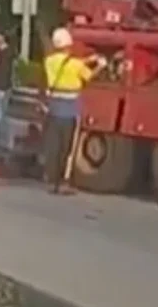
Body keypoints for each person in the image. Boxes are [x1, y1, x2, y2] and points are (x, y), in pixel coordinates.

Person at [42, 27, 106, 194]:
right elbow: (88, 76)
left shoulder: (49, 61)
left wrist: (88, 59)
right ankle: (64, 183)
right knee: (68, 148)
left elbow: (68, 63)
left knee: (55, 145)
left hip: (54, 109)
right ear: (69, 45)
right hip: (70, 111)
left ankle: (51, 180)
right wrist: (99, 65)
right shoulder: (76, 65)